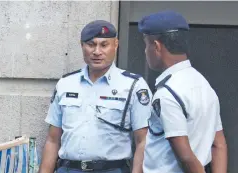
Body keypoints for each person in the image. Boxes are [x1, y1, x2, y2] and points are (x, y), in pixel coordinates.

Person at [39, 20, 152, 173]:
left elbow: (143, 141)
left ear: (116, 45)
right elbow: (53, 140)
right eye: (91, 44)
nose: (97, 51)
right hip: (68, 169)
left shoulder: (133, 86)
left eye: (104, 45)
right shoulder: (66, 84)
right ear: (82, 46)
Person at [138, 11, 228, 173]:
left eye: (146, 44)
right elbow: (219, 144)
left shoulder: (168, 93)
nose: (145, 51)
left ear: (157, 46)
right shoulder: (204, 85)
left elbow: (185, 157)